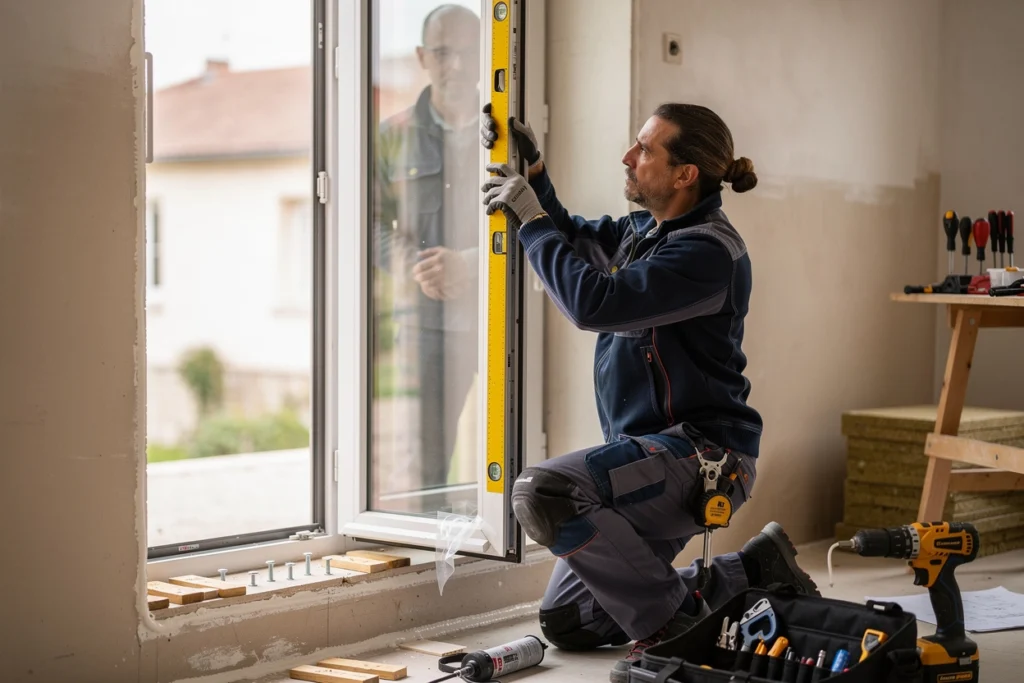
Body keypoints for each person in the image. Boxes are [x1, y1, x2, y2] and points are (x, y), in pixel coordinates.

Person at [479, 103, 820, 683]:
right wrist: (533, 174)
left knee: (545, 493)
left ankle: (677, 629)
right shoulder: (647, 232)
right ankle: (752, 569)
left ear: (686, 174)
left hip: (704, 458)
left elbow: (594, 304)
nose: (628, 157)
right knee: (572, 622)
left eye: (645, 149)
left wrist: (530, 218)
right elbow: (573, 238)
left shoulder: (708, 252)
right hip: (650, 459)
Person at [375, 4, 482, 498]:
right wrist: (420, 268)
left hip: (500, 318)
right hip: (426, 325)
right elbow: (371, 226)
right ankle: (432, 554)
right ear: (422, 56)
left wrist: (472, 265)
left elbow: (539, 221)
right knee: (428, 463)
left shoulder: (504, 132)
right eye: (443, 53)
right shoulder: (391, 136)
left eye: (467, 52)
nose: (456, 65)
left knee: (518, 447)